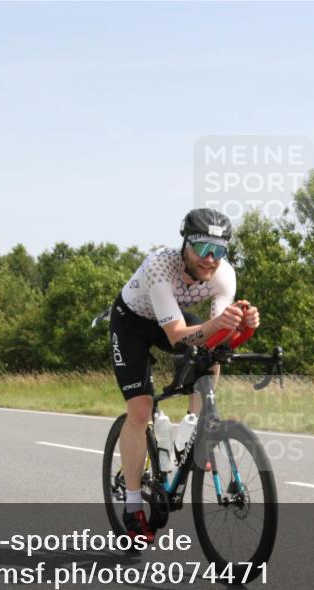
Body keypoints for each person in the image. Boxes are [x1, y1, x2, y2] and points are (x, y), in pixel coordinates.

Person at [110, 208, 260, 542]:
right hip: (133, 323)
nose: (211, 259)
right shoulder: (159, 267)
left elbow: (215, 336)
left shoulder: (224, 276)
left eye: (219, 251)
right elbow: (178, 335)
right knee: (140, 409)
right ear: (185, 244)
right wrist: (215, 327)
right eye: (203, 248)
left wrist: (242, 328)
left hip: (173, 318)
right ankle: (133, 507)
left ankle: (195, 430)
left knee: (213, 355)